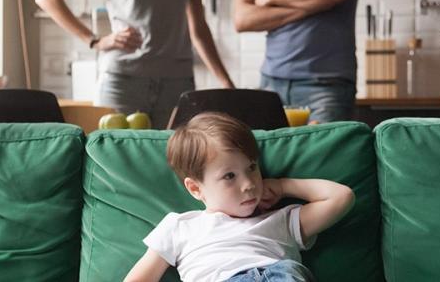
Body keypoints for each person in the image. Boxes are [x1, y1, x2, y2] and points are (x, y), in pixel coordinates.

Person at [35, 0, 235, 129]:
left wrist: (226, 83)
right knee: (115, 157)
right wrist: (95, 41)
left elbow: (198, 26)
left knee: (174, 159)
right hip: (122, 82)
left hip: (177, 84)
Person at [125, 112, 354, 281]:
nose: (248, 184)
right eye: (229, 176)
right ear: (196, 188)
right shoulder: (179, 226)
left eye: (252, 167)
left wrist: (283, 186)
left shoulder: (282, 220)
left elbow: (341, 196)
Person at [233, 0, 369, 123]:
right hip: (271, 81)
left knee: (321, 153)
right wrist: (317, 1)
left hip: (327, 85)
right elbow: (242, 19)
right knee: (271, 153)